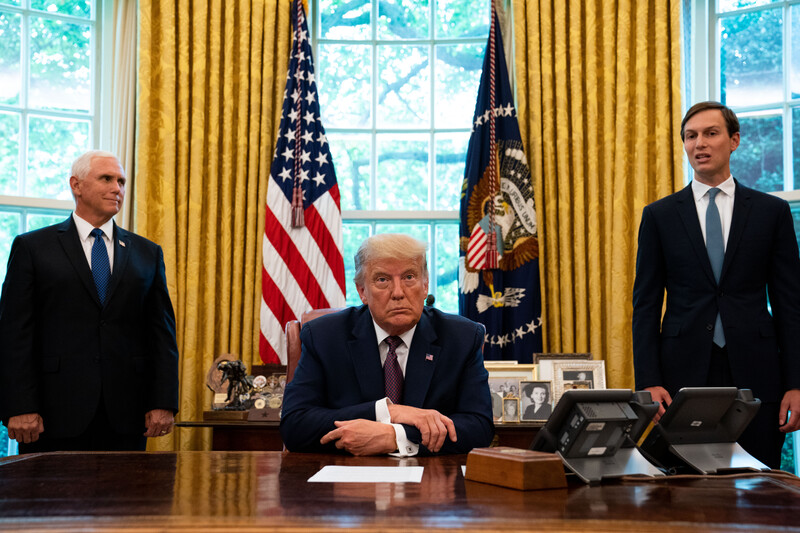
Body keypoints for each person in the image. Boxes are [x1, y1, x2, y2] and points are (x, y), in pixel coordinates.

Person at [632, 101, 800, 469]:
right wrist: (648, 380)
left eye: (711, 133)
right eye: (691, 136)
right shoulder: (659, 216)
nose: (699, 144)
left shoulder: (771, 213)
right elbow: (645, 305)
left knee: (758, 493)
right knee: (686, 491)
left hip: (758, 375)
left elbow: (790, 305)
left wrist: (796, 383)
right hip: (681, 376)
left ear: (734, 140)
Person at [0, 150, 180, 453]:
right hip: (51, 415)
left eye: (121, 181)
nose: (117, 188)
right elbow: (14, 334)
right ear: (76, 185)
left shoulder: (147, 253)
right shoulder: (33, 247)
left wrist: (163, 402)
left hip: (127, 415)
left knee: (127, 502)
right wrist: (19, 405)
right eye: (106, 179)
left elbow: (161, 334)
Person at [280, 233, 494, 456]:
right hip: (348, 480)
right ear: (362, 291)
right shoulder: (324, 336)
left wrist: (396, 437)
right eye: (382, 280)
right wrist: (391, 412)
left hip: (430, 482)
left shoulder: (462, 337)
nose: (398, 293)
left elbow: (479, 429)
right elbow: (295, 425)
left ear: (425, 284)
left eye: (409, 277)